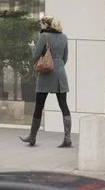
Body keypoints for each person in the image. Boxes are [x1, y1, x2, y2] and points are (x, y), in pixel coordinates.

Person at [24, 16, 71, 147]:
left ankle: (32, 137)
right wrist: (58, 65)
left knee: (39, 106)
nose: (41, 26)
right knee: (64, 105)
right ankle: (67, 138)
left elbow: (35, 56)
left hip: (46, 74)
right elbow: (65, 58)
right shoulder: (64, 37)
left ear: (46, 25)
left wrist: (32, 48)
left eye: (42, 24)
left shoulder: (43, 37)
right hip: (60, 74)